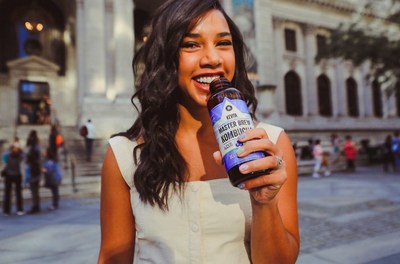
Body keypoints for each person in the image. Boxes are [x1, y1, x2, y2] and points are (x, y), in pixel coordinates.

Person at [98, 0, 299, 263]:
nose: (212, 59)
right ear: (166, 56)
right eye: (191, 44)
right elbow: (112, 258)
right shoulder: (124, 156)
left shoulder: (271, 145)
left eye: (223, 43)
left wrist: (264, 203)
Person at [2, 144, 25, 216]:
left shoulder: (8, 156)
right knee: (18, 193)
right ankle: (19, 209)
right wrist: (20, 149)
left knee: (7, 193)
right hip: (17, 175)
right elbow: (24, 155)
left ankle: (6, 210)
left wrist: (10, 148)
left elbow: (4, 156)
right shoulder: (19, 157)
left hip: (9, 175)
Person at [25, 130, 42, 214]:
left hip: (33, 171)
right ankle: (36, 205)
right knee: (35, 189)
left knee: (34, 189)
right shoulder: (37, 147)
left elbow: (29, 158)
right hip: (37, 170)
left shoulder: (32, 149)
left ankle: (35, 206)